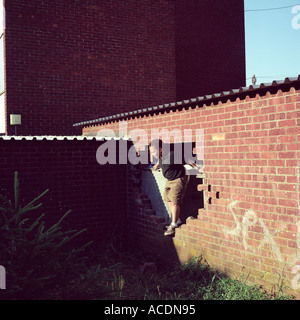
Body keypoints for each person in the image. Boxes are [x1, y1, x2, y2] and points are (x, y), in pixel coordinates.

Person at [149, 139, 189, 236]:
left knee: (175, 201)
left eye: (154, 152)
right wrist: (157, 164)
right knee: (168, 200)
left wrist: (198, 168)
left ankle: (173, 225)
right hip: (169, 180)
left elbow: (187, 159)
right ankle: (177, 220)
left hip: (178, 178)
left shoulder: (172, 155)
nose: (153, 154)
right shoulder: (161, 156)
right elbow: (161, 160)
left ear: (161, 149)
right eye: (151, 152)